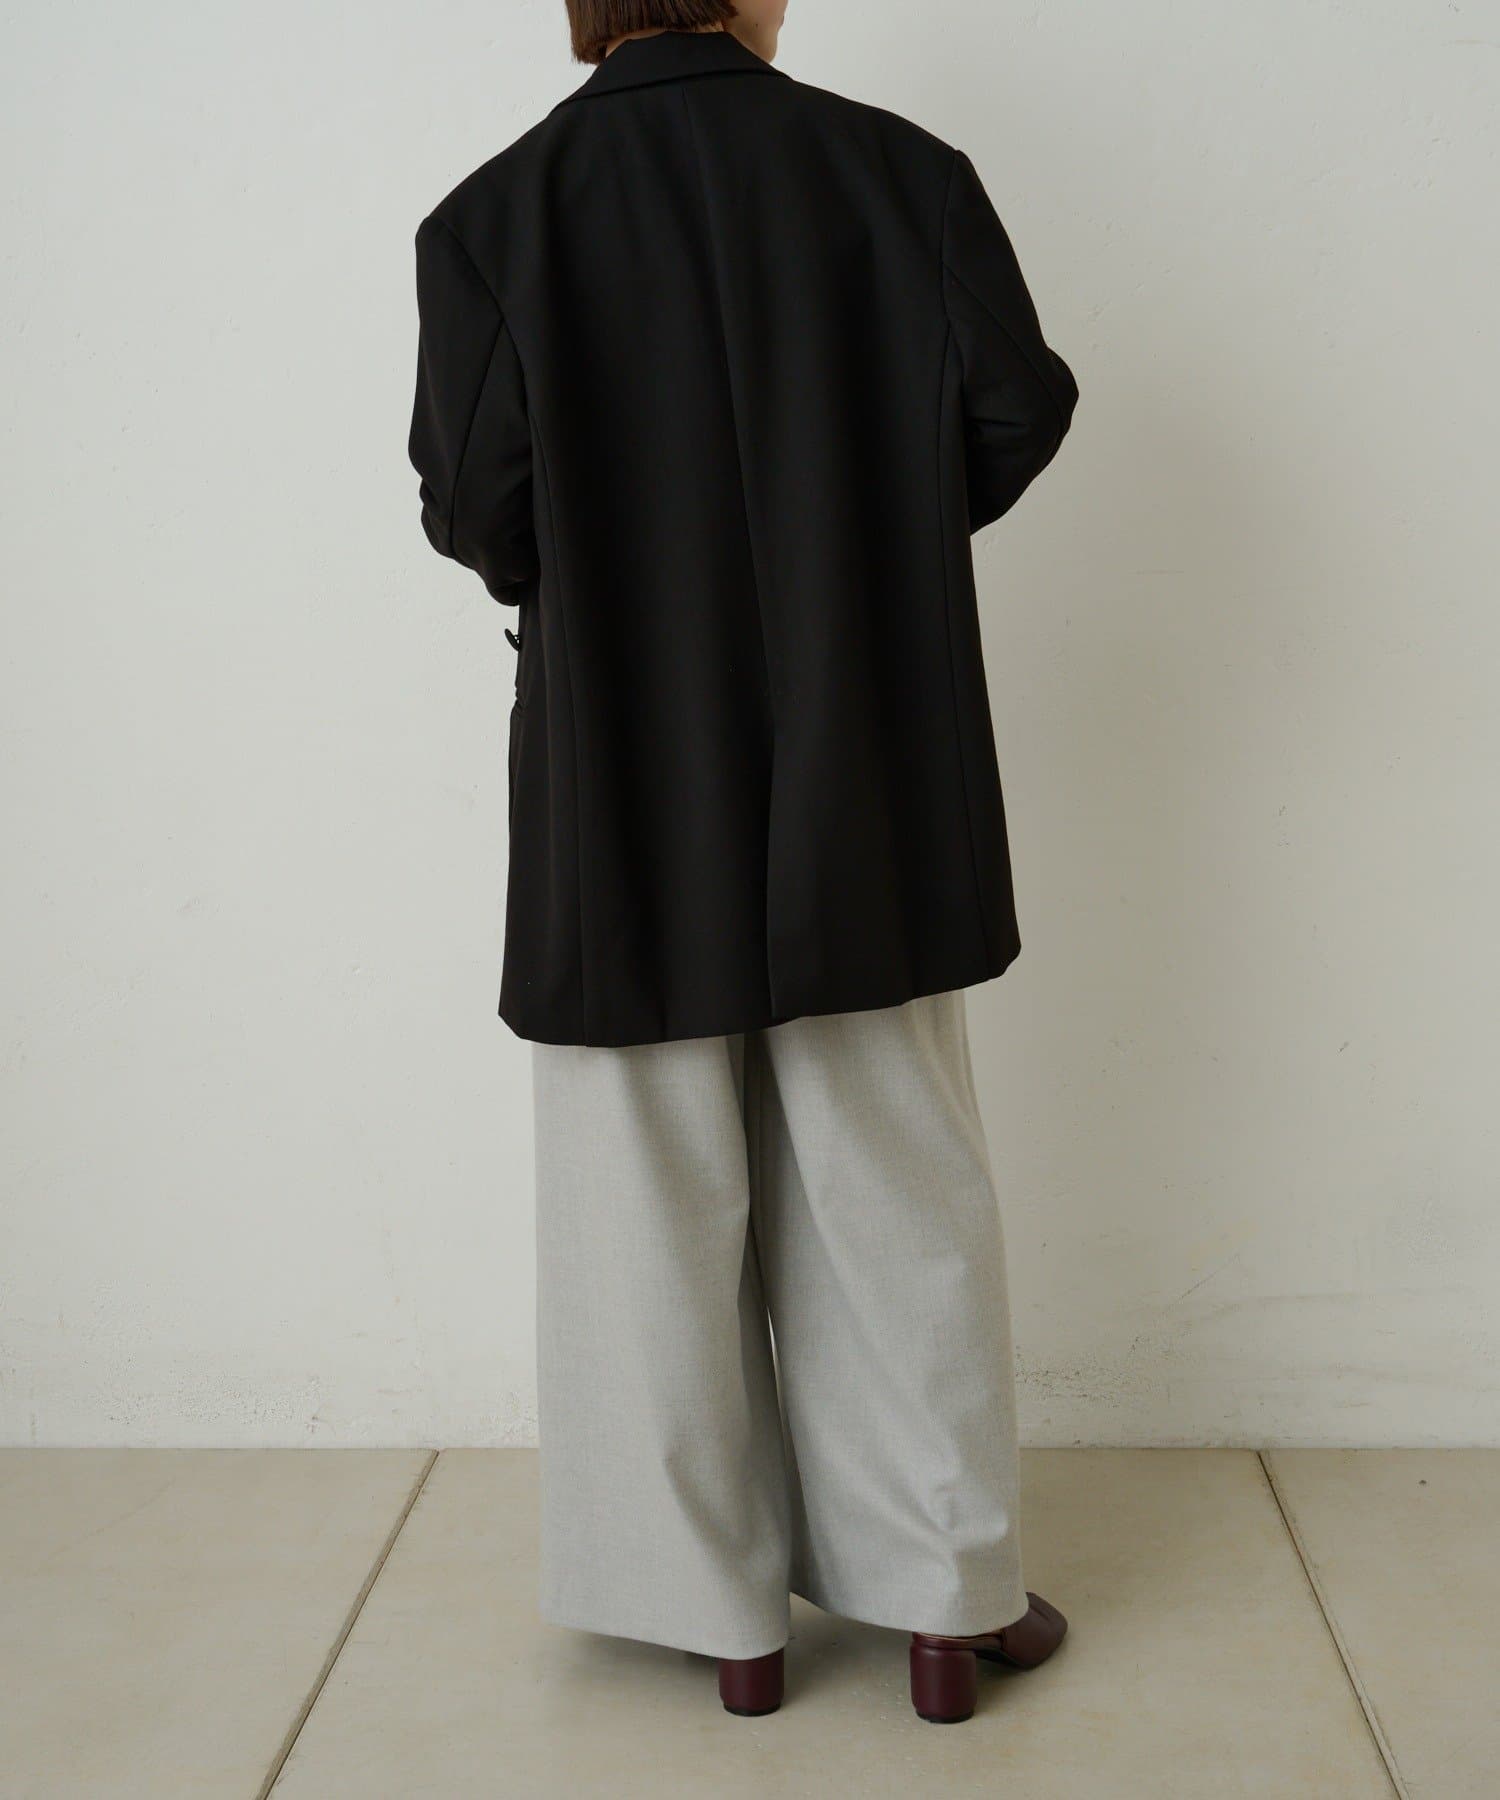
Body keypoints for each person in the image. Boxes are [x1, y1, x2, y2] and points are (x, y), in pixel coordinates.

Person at [408, 0, 1079, 1724]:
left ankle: (725, 1622)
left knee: (640, 1183)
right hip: (873, 761)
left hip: (624, 776)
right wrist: (870, 535)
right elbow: (1017, 407)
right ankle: (944, 1606)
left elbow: (475, 505)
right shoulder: (902, 175)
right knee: (895, 1169)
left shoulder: (492, 218)